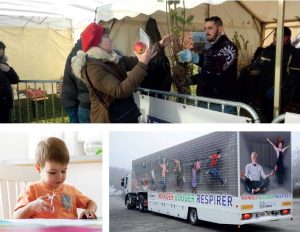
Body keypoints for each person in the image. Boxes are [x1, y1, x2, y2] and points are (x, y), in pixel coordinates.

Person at [71, 22, 171, 123]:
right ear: (96, 43)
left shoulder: (113, 57)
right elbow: (119, 90)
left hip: (125, 114)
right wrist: (142, 63)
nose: (110, 39)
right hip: (109, 120)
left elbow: (137, 61)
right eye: (106, 36)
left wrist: (160, 45)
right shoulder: (92, 67)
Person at [13, 137, 97, 219]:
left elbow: (91, 203)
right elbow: (16, 216)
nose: (60, 176)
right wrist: (32, 207)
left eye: (63, 171)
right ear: (38, 168)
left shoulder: (71, 191)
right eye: (52, 172)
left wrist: (90, 210)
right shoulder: (31, 189)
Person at [178, 16, 238, 105]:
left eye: (210, 28)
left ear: (220, 29)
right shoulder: (210, 48)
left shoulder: (229, 47)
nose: (206, 32)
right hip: (204, 99)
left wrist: (196, 58)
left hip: (221, 103)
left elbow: (218, 66)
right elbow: (208, 73)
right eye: (205, 29)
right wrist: (191, 80)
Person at [258, 26, 296, 122]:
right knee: (265, 116)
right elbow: (259, 66)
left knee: (277, 119)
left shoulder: (293, 53)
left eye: (279, 36)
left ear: (287, 37)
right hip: (264, 90)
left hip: (281, 94)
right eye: (274, 35)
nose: (275, 38)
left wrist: (279, 87)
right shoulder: (267, 50)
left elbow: (293, 77)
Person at [61, 39, 91, 123]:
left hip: (71, 98)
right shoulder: (79, 52)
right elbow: (80, 80)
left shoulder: (78, 49)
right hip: (72, 100)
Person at [140, 17, 172, 95]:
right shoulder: (161, 58)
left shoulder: (144, 57)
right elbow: (167, 78)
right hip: (159, 93)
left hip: (147, 93)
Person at [0, 41, 20, 123]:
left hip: (4, 103)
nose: (1, 51)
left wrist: (8, 70)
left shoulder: (4, 65)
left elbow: (15, 80)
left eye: (2, 49)